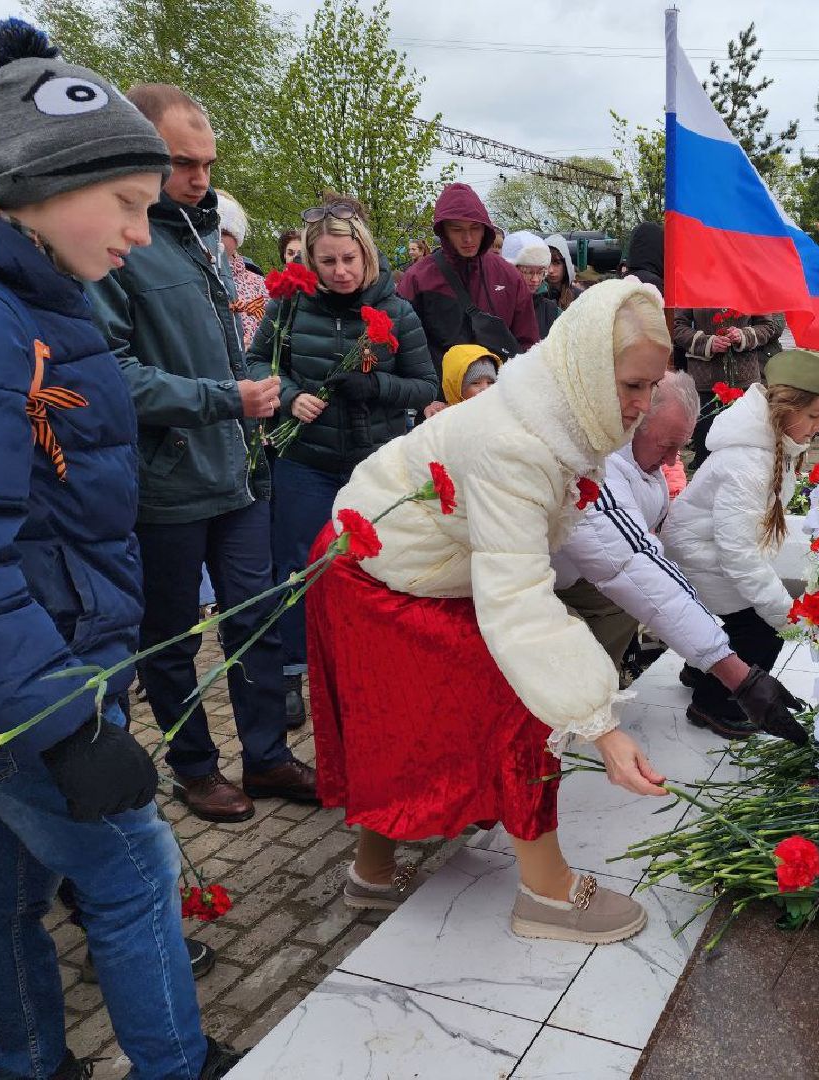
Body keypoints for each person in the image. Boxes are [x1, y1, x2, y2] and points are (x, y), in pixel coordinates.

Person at [0, 19, 240, 1078]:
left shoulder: (38, 301)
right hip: (26, 680)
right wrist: (64, 724)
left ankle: (26, 1059)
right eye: (126, 203)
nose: (141, 230)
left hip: (27, 666)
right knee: (132, 872)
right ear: (40, 184)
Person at [307, 280, 671, 938]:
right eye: (632, 386)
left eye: (651, 387)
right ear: (587, 366)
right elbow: (521, 606)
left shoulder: (562, 411)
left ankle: (372, 874)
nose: (641, 407)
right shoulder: (517, 444)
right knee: (518, 707)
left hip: (398, 565)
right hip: (371, 573)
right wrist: (601, 726)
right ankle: (549, 895)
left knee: (408, 732)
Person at [86, 82, 317, 824]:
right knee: (172, 636)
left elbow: (228, 352)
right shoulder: (116, 246)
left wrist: (256, 378)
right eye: (183, 163)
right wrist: (226, 398)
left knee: (256, 616)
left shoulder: (200, 232)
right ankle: (193, 766)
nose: (200, 179)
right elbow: (112, 374)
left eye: (207, 164)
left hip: (238, 472)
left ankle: (268, 755)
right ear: (137, 153)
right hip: (166, 484)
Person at [247, 198, 437, 729]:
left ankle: (373, 668)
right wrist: (287, 395)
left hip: (372, 467)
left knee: (373, 568)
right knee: (299, 567)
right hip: (304, 460)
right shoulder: (288, 307)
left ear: (367, 255)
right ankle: (290, 671)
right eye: (328, 261)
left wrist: (373, 386)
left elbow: (425, 384)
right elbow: (256, 360)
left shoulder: (396, 310)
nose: (341, 271)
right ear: (310, 261)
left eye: (349, 258)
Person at [553, 371, 808, 741]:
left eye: (681, 447)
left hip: (586, 574)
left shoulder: (642, 460)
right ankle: (568, 712)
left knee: (628, 611)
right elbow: (634, 566)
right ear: (631, 424)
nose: (674, 460)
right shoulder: (599, 473)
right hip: (545, 584)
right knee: (576, 645)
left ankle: (590, 695)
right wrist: (739, 677)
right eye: (666, 446)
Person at [662, 350, 819, 735]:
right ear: (785, 409)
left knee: (744, 617)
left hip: (707, 548)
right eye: (813, 416)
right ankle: (712, 704)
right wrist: (783, 614)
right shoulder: (749, 464)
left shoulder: (767, 447)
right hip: (698, 554)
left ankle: (700, 670)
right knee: (761, 631)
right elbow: (738, 555)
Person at [397, 183, 538, 415]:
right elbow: (403, 348)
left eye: (475, 227)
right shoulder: (418, 278)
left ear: (486, 229)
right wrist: (423, 401)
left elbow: (528, 344)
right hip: (440, 410)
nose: (468, 238)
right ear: (443, 231)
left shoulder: (508, 275)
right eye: (457, 229)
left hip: (500, 406)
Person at [672, 307, 786, 469]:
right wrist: (708, 342)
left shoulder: (750, 284)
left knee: (744, 451)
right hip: (706, 383)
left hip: (744, 382)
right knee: (707, 450)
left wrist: (743, 335)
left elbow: (767, 326)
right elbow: (676, 325)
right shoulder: (694, 285)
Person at [218, 189, 268, 352]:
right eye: (211, 230)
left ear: (237, 236)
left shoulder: (258, 283)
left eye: (224, 232)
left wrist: (254, 346)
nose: (216, 239)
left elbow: (272, 331)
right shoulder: (189, 279)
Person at [502, 230, 561, 338]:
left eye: (540, 272)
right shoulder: (492, 303)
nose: (535, 279)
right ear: (509, 269)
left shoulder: (552, 311)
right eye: (527, 271)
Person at [544, 233, 584, 310]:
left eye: (557, 263)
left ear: (565, 265)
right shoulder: (537, 297)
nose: (550, 270)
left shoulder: (580, 297)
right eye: (547, 263)